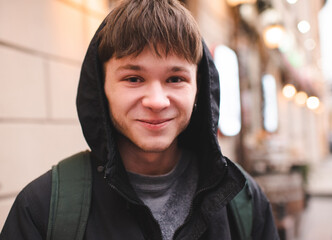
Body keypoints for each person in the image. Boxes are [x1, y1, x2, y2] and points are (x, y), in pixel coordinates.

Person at [0, 0, 279, 239]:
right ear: (102, 88)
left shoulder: (245, 201)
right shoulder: (42, 208)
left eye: (175, 78)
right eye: (133, 78)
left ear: (199, 87)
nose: (157, 101)